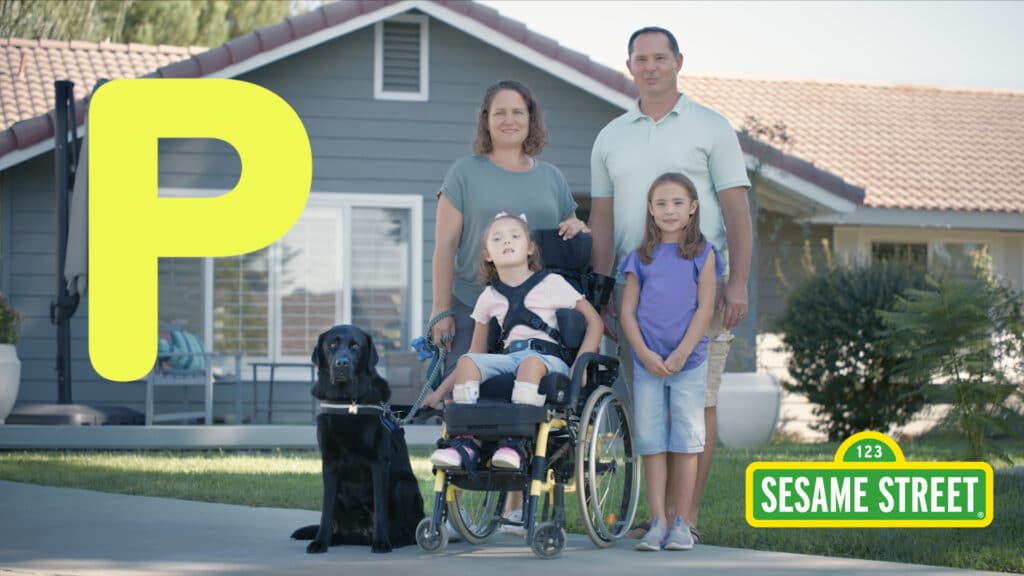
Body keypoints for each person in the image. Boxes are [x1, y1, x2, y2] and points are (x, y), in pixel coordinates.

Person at [589, 26, 752, 540]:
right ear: (630, 65)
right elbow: (602, 221)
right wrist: (601, 293)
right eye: (642, 58)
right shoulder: (610, 136)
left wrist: (739, 283)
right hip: (633, 294)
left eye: (661, 57)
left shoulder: (711, 127)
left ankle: (688, 517)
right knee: (648, 407)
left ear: (679, 61)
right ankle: (657, 515)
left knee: (696, 403)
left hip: (699, 292)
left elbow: (737, 213)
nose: (651, 66)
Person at [421, 80, 589, 535]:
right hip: (473, 301)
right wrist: (441, 310)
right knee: (466, 401)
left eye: (518, 111)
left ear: (531, 119)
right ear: (486, 120)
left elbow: (563, 237)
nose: (510, 119)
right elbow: (444, 247)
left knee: (522, 398)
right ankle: (458, 505)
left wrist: (576, 222)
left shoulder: (551, 177)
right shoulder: (464, 172)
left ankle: (516, 504)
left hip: (532, 311)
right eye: (500, 112)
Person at [429, 212, 603, 472]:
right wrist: (438, 393)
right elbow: (476, 351)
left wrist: (581, 365)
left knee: (530, 364)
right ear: (487, 254)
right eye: (497, 238)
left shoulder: (552, 283)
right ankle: (465, 442)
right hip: (510, 358)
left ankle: (517, 443)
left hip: (547, 358)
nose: (506, 241)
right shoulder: (489, 296)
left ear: (530, 247)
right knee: (467, 362)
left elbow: (595, 321)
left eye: (514, 236)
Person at [619, 172, 720, 551]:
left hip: (688, 362)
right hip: (648, 364)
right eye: (661, 203)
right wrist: (645, 354)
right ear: (650, 209)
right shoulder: (639, 258)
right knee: (651, 441)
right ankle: (657, 521)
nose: (669, 210)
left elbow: (705, 307)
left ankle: (681, 522)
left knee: (686, 441)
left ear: (693, 208)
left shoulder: (703, 255)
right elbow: (627, 312)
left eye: (678, 203)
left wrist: (679, 354)